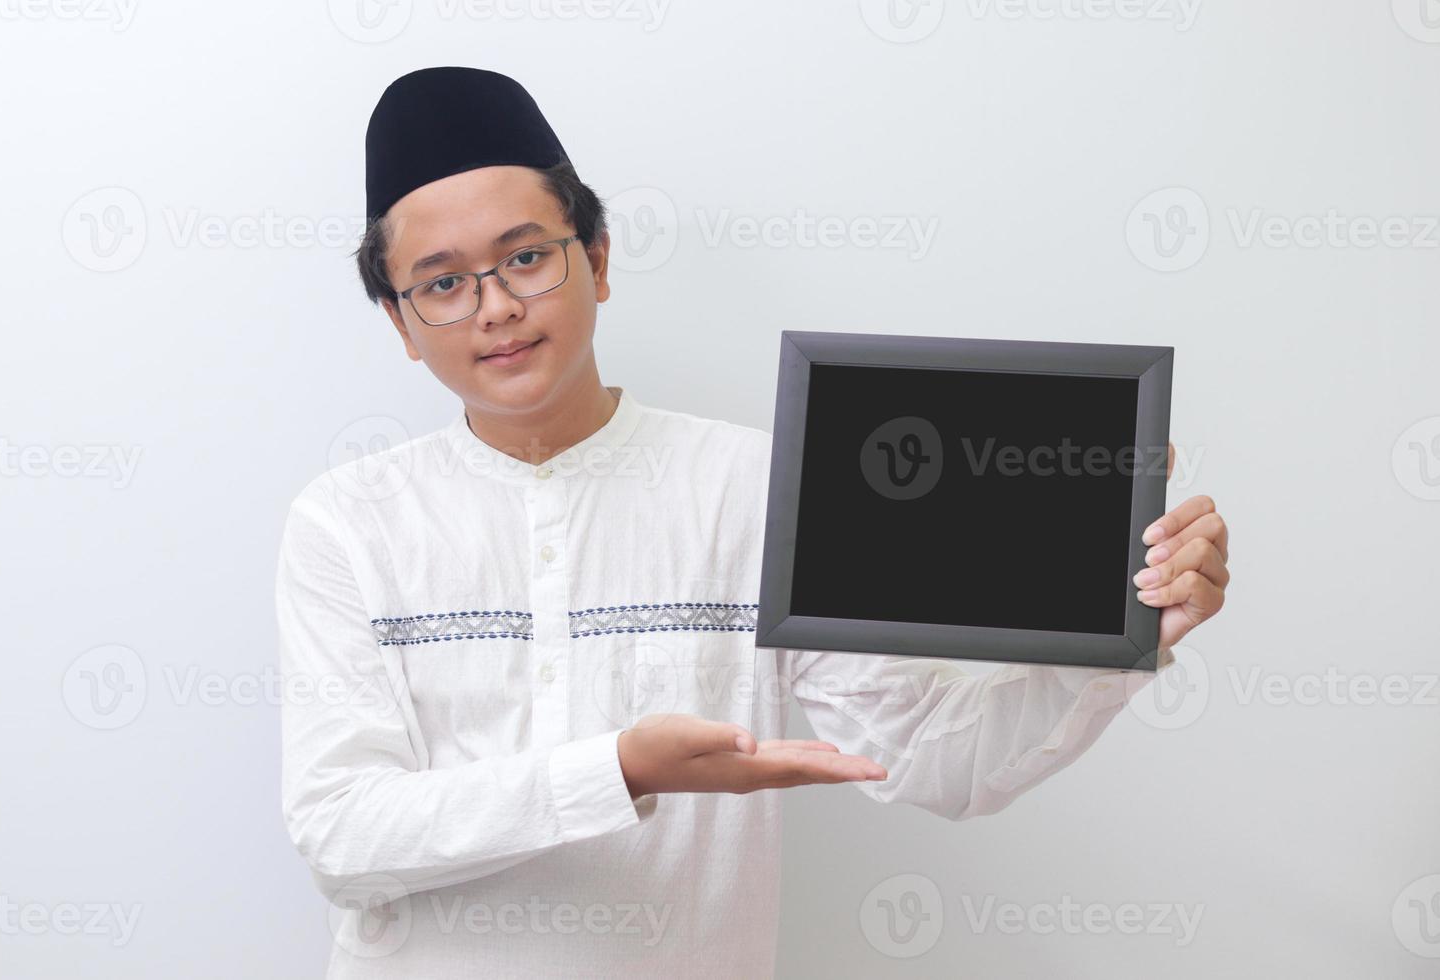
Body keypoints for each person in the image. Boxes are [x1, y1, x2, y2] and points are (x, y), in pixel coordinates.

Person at [275, 66, 1232, 978]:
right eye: (442, 284)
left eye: (526, 258)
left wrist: (1113, 629)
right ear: (401, 324)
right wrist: (616, 772)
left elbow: (933, 759)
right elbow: (343, 835)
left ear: (596, 260)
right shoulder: (349, 525)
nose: (495, 308)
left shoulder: (763, 485)